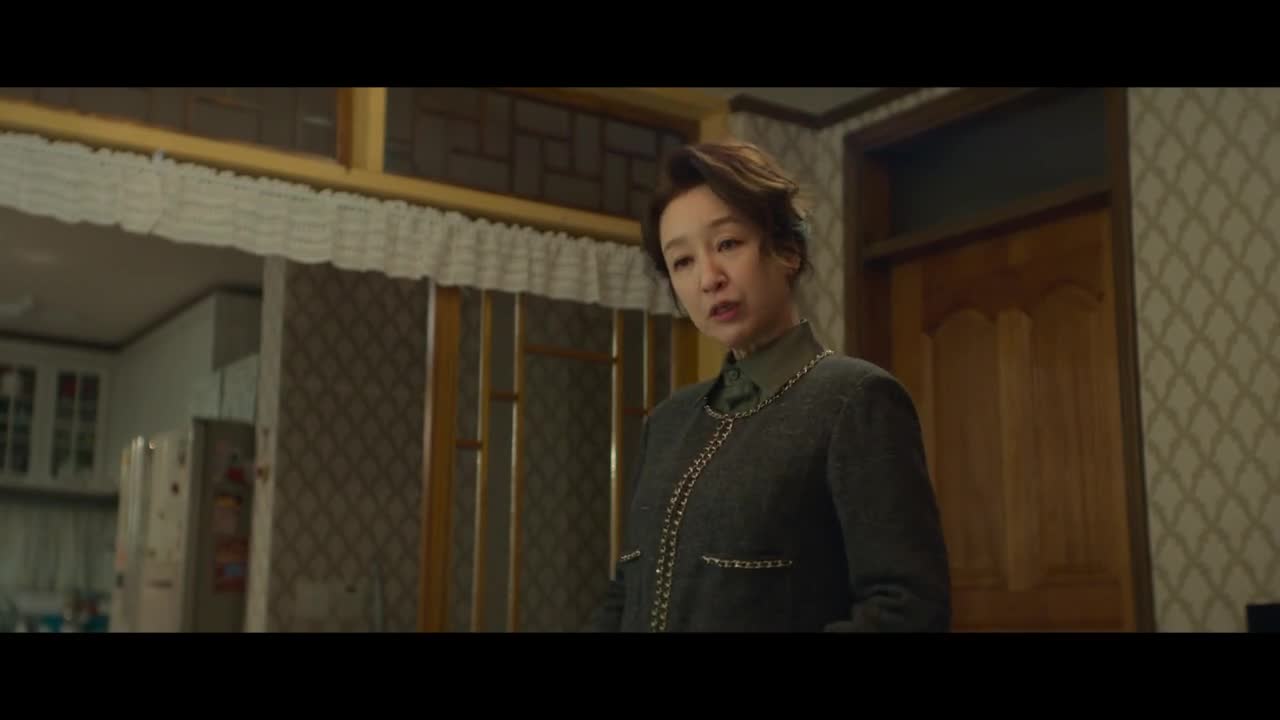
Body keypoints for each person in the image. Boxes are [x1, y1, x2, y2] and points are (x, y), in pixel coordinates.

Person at [586, 139, 951, 632]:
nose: (708, 278)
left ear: (787, 250)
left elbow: (907, 608)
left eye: (727, 244)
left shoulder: (854, 399)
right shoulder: (667, 423)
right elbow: (625, 595)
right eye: (682, 262)